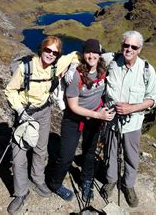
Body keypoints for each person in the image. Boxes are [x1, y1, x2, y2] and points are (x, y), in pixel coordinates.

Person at [4, 36, 79, 214]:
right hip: (25, 113)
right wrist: (20, 111)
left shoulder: (56, 64)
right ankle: (21, 193)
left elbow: (76, 54)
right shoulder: (26, 68)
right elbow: (10, 90)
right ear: (41, 49)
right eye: (48, 50)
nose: (51, 54)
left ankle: (38, 180)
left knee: (40, 149)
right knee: (19, 155)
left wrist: (73, 67)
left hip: (44, 112)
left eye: (55, 52)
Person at [48, 39, 115, 202]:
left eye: (95, 52)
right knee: (66, 156)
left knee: (90, 153)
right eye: (88, 52)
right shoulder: (76, 74)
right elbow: (73, 107)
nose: (91, 55)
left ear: (99, 54)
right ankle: (55, 183)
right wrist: (99, 115)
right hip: (74, 119)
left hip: (94, 119)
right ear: (83, 54)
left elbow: (118, 56)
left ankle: (86, 181)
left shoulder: (104, 69)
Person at [101, 31, 156, 208]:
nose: (129, 49)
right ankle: (111, 180)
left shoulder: (147, 70)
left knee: (131, 156)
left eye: (134, 47)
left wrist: (131, 108)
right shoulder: (111, 61)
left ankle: (128, 185)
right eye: (126, 45)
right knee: (110, 153)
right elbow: (89, 57)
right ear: (121, 46)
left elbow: (153, 98)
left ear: (139, 49)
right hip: (111, 120)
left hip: (133, 123)